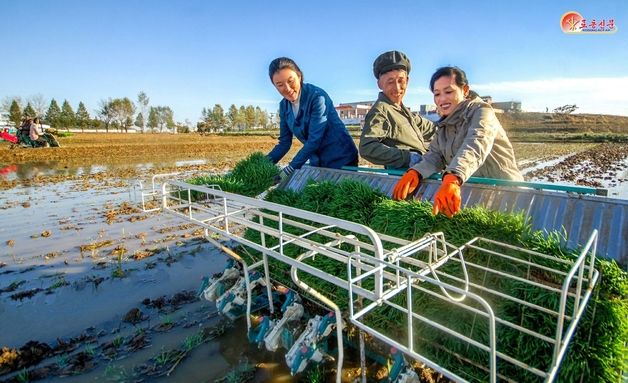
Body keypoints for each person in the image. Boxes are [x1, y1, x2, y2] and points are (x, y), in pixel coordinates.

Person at [392, 66, 523, 217]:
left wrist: (453, 178)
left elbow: (475, 144)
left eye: (448, 92)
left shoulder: (482, 112)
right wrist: (416, 172)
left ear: (465, 90)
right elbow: (435, 155)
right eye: (437, 94)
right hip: (476, 193)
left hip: (506, 193)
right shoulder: (444, 125)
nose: (442, 99)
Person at [266, 57, 358, 180]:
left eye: (290, 81)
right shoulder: (284, 106)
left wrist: (290, 168)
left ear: (299, 76)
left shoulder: (317, 97)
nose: (287, 89)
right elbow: (284, 143)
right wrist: (262, 164)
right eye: (280, 85)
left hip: (341, 158)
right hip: (317, 161)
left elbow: (314, 139)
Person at [359, 50, 436, 169]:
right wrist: (409, 158)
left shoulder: (404, 111)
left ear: (408, 81)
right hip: (404, 179)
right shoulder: (381, 111)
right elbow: (367, 148)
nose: (397, 88)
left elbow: (432, 129)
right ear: (379, 84)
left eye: (401, 81)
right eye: (390, 82)